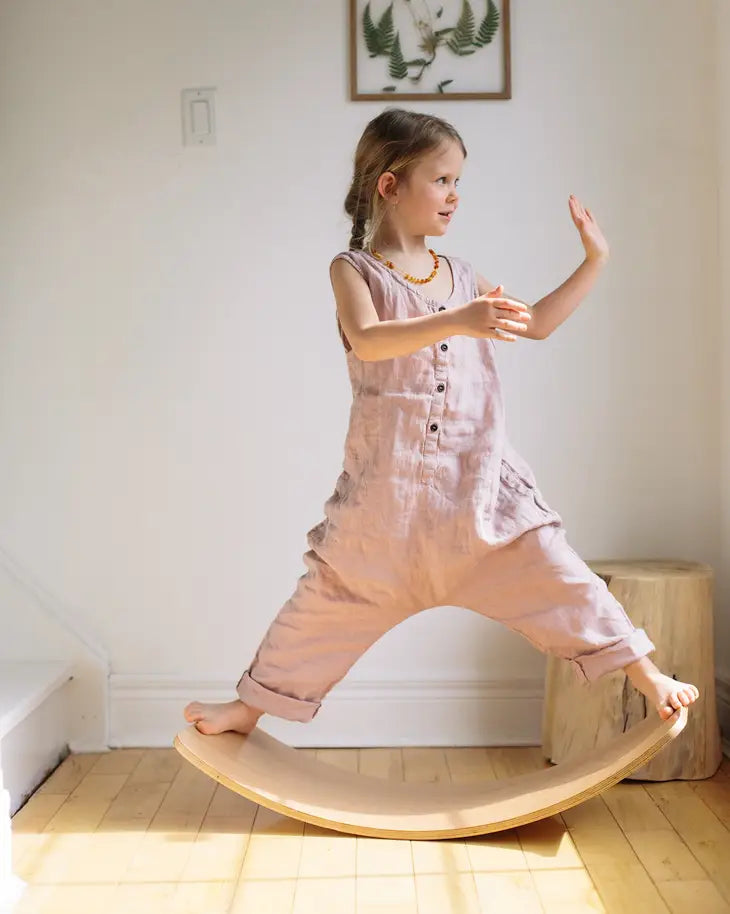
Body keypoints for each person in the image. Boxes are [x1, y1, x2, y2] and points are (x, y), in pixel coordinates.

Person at [184, 108, 698, 737]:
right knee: (322, 606)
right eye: (442, 180)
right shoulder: (354, 269)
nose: (454, 195)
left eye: (459, 182)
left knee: (563, 580)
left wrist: (595, 260)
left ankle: (650, 678)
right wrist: (460, 319)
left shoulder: (460, 276)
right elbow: (368, 340)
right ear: (390, 185)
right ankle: (249, 708)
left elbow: (533, 323)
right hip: (387, 505)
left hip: (477, 500)